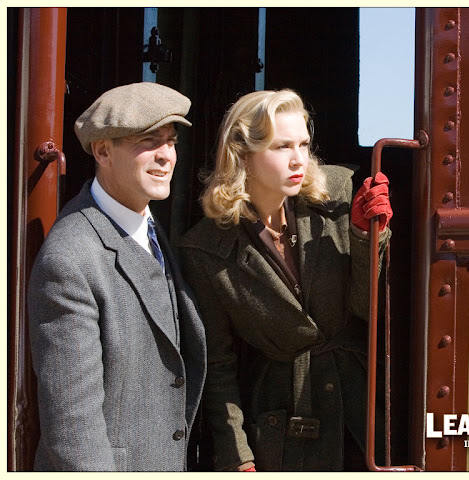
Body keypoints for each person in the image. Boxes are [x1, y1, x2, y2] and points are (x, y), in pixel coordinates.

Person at [177, 89, 392, 471]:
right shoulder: (205, 249)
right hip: (283, 429)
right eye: (282, 147)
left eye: (303, 144)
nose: (299, 159)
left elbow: (365, 309)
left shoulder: (339, 193)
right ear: (242, 154)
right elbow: (218, 365)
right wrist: (238, 456)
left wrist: (365, 236)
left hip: (361, 418)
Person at [27, 82, 207, 471]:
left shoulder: (147, 227)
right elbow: (74, 432)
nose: (166, 156)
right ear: (103, 151)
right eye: (148, 141)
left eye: (171, 141)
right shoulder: (70, 258)